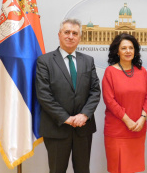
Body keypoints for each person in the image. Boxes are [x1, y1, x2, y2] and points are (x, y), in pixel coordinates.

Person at [35, 18, 101, 173]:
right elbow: (44, 95)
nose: (70, 36)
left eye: (74, 33)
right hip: (56, 127)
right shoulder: (44, 61)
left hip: (83, 128)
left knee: (83, 170)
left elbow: (95, 91)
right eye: (67, 32)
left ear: (79, 37)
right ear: (59, 35)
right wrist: (66, 118)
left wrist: (84, 115)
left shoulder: (88, 61)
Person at [102, 33, 147, 173]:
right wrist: (127, 120)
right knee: (118, 169)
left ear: (135, 50)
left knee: (133, 169)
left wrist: (143, 118)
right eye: (124, 48)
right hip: (117, 131)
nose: (128, 51)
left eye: (131, 47)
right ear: (117, 51)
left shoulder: (142, 72)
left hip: (137, 129)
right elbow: (109, 100)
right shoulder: (110, 72)